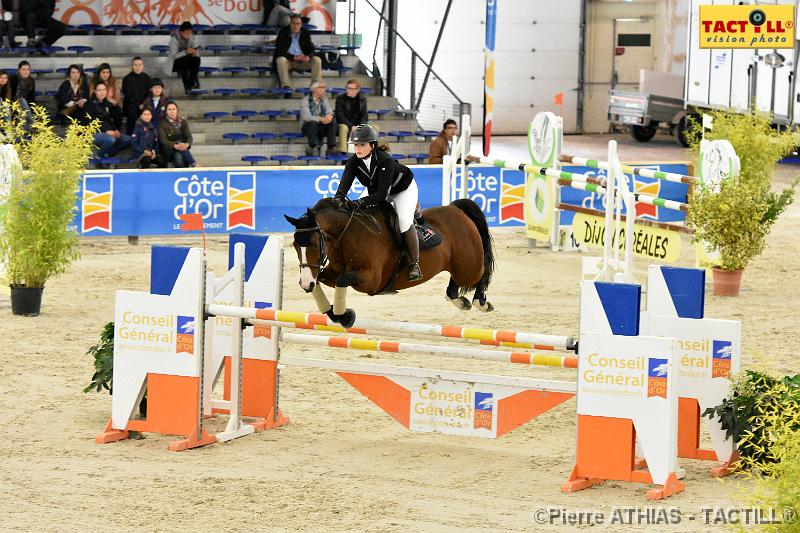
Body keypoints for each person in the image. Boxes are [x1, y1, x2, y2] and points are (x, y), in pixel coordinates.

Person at [334, 124, 422, 281]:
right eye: (355, 145)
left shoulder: (384, 160)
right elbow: (343, 186)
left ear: (372, 146)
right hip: (377, 190)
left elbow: (382, 195)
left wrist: (360, 201)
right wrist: (338, 199)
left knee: (403, 221)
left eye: (362, 144)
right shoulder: (353, 162)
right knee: (358, 213)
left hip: (402, 190)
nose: (357, 148)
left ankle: (414, 264)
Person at [273, 14, 321, 95]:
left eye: (298, 24)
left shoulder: (305, 33)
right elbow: (279, 51)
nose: (295, 26)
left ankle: (315, 85)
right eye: (293, 23)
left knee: (317, 59)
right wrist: (293, 57)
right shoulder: (283, 33)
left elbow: (312, 49)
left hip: (302, 61)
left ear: (301, 25)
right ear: (290, 24)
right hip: (288, 61)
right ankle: (286, 86)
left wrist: (308, 57)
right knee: (280, 59)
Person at [86, 81, 133, 159]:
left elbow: (109, 120)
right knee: (111, 140)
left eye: (104, 90)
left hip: (108, 131)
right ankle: (99, 155)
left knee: (128, 139)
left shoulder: (106, 103)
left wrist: (115, 130)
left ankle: (108, 153)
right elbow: (90, 123)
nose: (102, 92)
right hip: (93, 133)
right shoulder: (89, 104)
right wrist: (106, 131)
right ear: (95, 91)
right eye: (99, 90)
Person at [300, 80, 336, 157]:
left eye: (324, 87)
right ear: (314, 89)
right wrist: (320, 119)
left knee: (332, 121)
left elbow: (329, 111)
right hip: (308, 126)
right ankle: (312, 147)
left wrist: (329, 116)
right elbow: (306, 117)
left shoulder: (324, 99)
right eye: (321, 87)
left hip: (322, 124)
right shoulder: (305, 100)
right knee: (312, 124)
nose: (324, 89)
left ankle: (330, 148)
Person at [159, 101, 197, 168]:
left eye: (173, 109)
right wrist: (175, 145)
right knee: (180, 151)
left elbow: (189, 136)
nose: (172, 111)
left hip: (182, 147)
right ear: (166, 111)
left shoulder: (183, 121)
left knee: (179, 157)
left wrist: (187, 144)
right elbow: (163, 140)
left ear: (177, 110)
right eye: (169, 109)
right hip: (169, 148)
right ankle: (194, 164)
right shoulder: (162, 123)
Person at [334, 78, 368, 153]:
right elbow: (340, 116)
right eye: (347, 88)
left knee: (375, 128)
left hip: (357, 125)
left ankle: (368, 153)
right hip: (345, 124)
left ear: (357, 90)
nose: (348, 90)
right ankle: (343, 152)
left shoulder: (362, 99)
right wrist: (351, 126)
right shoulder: (341, 98)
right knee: (343, 127)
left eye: (351, 89)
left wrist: (359, 126)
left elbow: (364, 116)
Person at [122, 56, 152, 135]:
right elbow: (127, 95)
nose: (138, 67)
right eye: (135, 65)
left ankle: (149, 136)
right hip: (131, 104)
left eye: (139, 64)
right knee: (132, 113)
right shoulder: (127, 79)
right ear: (132, 67)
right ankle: (129, 136)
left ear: (143, 66)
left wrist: (144, 104)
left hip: (144, 104)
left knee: (150, 113)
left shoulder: (147, 78)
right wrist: (138, 105)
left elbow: (149, 94)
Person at [169, 21, 201, 94]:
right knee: (185, 59)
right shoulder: (174, 39)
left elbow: (196, 48)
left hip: (187, 61)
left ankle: (191, 84)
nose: (189, 35)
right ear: (181, 32)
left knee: (196, 60)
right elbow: (174, 56)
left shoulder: (192, 37)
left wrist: (195, 53)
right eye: (187, 33)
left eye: (190, 33)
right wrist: (186, 52)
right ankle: (186, 85)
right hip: (175, 63)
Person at [9, 61, 35, 130]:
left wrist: (34, 110)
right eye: (23, 69)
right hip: (13, 104)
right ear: (19, 70)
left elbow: (31, 98)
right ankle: (32, 125)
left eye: (28, 69)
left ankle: (26, 132)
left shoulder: (31, 81)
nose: (26, 71)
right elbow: (9, 96)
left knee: (23, 106)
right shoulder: (13, 79)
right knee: (22, 100)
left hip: (25, 106)